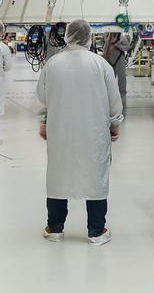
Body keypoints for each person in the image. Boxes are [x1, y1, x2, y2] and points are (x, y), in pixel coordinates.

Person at [37, 19, 123, 245]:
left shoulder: (53, 64)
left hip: (60, 131)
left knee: (58, 175)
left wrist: (44, 123)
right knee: (95, 176)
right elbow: (114, 100)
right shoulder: (101, 64)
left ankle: (54, 227)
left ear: (67, 36)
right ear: (88, 37)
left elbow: (42, 98)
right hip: (93, 132)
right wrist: (115, 125)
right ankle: (96, 230)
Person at [101, 31, 133, 114]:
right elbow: (104, 46)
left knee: (121, 77)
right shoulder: (106, 35)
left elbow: (127, 47)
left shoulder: (122, 37)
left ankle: (122, 95)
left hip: (119, 59)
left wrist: (117, 45)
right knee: (108, 78)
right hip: (109, 59)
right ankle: (108, 94)